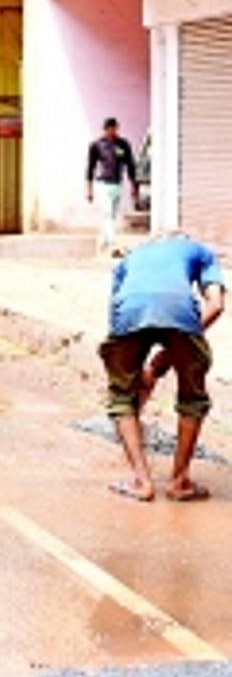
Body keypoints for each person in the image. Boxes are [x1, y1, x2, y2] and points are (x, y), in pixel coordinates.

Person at [99, 233, 224, 502]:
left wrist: (138, 373)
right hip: (180, 313)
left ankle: (142, 483)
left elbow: (116, 311)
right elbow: (215, 304)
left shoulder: (131, 257)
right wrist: (173, 351)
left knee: (121, 398)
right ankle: (179, 482)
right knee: (193, 398)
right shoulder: (199, 250)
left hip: (130, 314)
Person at [86, 117, 138, 256]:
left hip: (117, 184)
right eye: (108, 129)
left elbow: (130, 165)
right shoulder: (97, 145)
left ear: (116, 128)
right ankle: (113, 244)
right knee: (108, 212)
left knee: (111, 215)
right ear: (104, 129)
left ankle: (102, 242)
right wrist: (89, 189)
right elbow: (90, 168)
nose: (111, 131)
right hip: (103, 184)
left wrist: (134, 185)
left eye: (113, 128)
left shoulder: (123, 145)